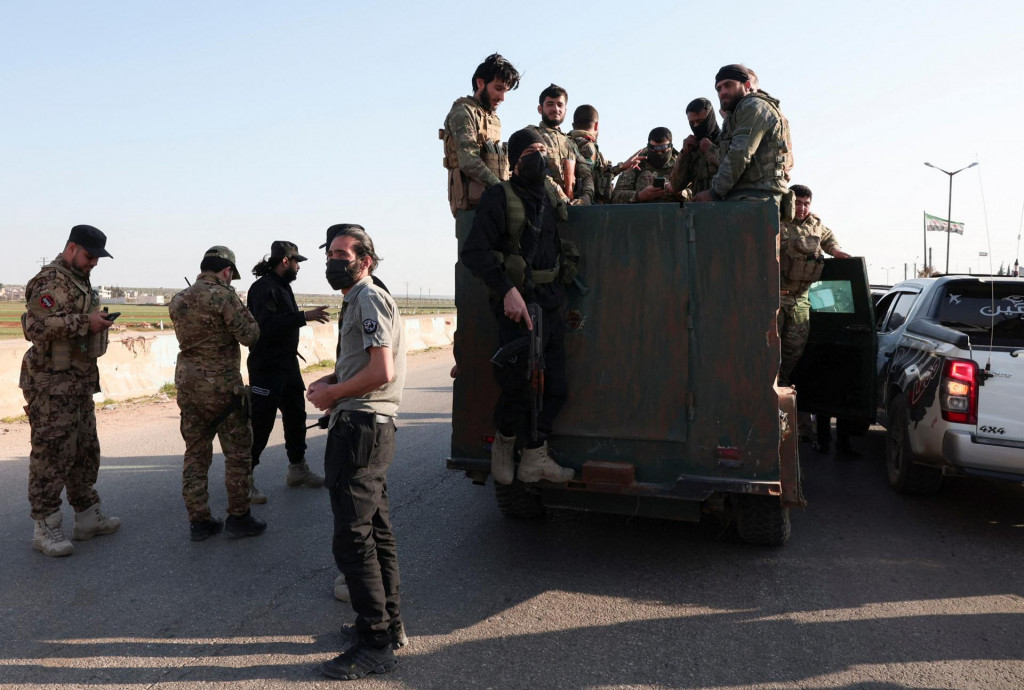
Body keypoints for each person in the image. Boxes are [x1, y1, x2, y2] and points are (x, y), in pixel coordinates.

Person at [308, 226, 407, 680]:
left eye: (342, 254)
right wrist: (333, 380)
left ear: (365, 260)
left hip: (361, 427)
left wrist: (334, 395)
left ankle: (375, 644)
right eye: (330, 254)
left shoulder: (368, 298)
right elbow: (363, 362)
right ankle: (388, 626)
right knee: (376, 531)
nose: (333, 261)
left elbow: (382, 371)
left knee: (353, 538)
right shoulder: (359, 299)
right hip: (368, 424)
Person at [460, 127, 576, 486]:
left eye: (543, 150)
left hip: (550, 302)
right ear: (515, 162)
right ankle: (505, 442)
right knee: (518, 387)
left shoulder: (550, 195)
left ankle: (535, 457)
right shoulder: (500, 196)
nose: (540, 157)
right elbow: (474, 252)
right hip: (517, 305)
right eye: (531, 152)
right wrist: (507, 290)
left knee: (555, 387)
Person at [21, 225, 121, 557]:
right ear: (72, 248)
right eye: (90, 256)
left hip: (78, 382)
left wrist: (95, 322)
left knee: (85, 451)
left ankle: (87, 517)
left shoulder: (79, 280)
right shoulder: (49, 282)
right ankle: (45, 527)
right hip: (51, 385)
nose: (94, 263)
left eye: (97, 258)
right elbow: (34, 326)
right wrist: (85, 323)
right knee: (51, 456)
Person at [169, 246, 264, 542]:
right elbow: (250, 335)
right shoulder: (224, 296)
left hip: (189, 386)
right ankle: (239, 518)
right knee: (237, 454)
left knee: (195, 454)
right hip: (223, 390)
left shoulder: (179, 299)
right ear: (227, 271)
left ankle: (199, 522)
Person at [245, 241, 329, 502]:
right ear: (285, 261)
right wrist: (304, 316)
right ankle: (243, 480)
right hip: (266, 367)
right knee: (261, 424)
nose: (299, 267)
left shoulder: (282, 286)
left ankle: (297, 469)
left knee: (295, 417)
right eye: (296, 262)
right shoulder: (264, 288)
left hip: (287, 365)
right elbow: (267, 325)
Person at [693, 64, 792, 205]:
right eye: (719, 88)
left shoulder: (753, 106)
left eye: (728, 85)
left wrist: (715, 192)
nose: (723, 92)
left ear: (747, 85)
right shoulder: (736, 113)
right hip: (745, 196)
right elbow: (725, 157)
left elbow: (739, 154)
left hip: (756, 197)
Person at [442, 53, 522, 217]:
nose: (502, 97)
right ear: (480, 83)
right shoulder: (463, 112)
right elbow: (468, 160)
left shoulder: (492, 118)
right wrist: (502, 189)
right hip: (471, 205)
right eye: (498, 88)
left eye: (505, 91)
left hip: (493, 201)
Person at [526, 84, 594, 205]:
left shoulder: (570, 143)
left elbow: (586, 174)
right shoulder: (532, 135)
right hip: (540, 205)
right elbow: (537, 171)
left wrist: (586, 197)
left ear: (565, 111)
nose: (556, 109)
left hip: (570, 206)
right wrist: (562, 197)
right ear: (540, 109)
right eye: (550, 104)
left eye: (560, 105)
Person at [569, 104, 643, 204]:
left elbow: (600, 176)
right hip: (585, 206)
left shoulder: (566, 143)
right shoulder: (588, 147)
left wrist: (622, 166)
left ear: (573, 125)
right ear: (596, 125)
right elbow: (588, 176)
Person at [611, 127, 681, 204]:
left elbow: (691, 194)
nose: (659, 153)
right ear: (648, 146)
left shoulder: (681, 165)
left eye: (663, 150)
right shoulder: (636, 164)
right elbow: (615, 197)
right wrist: (639, 196)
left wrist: (679, 192)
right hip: (641, 211)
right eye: (655, 150)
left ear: (670, 146)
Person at [670, 98, 721, 198]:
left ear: (710, 118)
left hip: (726, 204)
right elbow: (676, 185)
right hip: (699, 206)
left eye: (700, 121)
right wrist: (684, 154)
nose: (696, 126)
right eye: (692, 123)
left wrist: (710, 150)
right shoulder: (693, 147)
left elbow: (735, 168)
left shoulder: (727, 140)